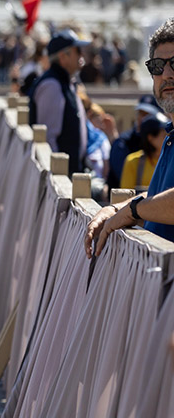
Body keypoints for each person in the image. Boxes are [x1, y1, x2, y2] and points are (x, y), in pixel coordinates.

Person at [86, 17, 174, 256]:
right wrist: (117, 208)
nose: (166, 73)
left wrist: (132, 211)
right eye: (157, 66)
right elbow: (159, 197)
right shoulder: (170, 136)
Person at [28, 29, 89, 176]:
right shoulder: (52, 85)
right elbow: (48, 138)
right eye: (77, 51)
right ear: (63, 56)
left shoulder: (65, 81)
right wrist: (57, 177)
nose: (81, 55)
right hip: (60, 179)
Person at [108, 95, 161, 189]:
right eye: (140, 113)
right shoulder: (123, 143)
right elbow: (124, 180)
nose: (142, 118)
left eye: (147, 115)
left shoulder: (163, 144)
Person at [119, 113, 169, 192]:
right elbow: (126, 194)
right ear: (150, 138)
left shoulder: (171, 159)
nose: (169, 139)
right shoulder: (133, 161)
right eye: (165, 136)